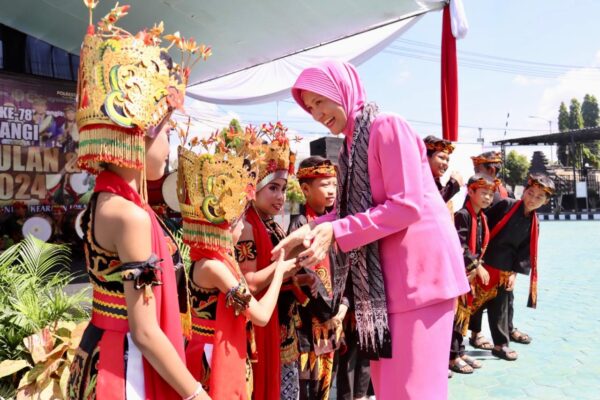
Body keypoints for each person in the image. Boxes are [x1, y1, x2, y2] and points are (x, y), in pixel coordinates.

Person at [275, 59, 469, 400]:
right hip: (388, 289)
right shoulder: (352, 146)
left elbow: (407, 205)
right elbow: (347, 212)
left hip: (421, 281)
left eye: (320, 101)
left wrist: (335, 230)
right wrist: (309, 230)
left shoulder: (386, 127)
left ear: (341, 89)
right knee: (393, 391)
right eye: (310, 108)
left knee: (414, 391)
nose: (317, 114)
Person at [68, 4, 210, 399]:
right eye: (166, 132)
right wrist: (198, 394)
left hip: (100, 347)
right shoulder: (129, 215)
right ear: (139, 135)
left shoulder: (105, 198)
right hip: (125, 363)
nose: (168, 148)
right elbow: (146, 332)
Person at [179, 126, 298, 399]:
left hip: (221, 350)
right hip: (213, 357)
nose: (239, 226)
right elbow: (261, 315)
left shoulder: (215, 259)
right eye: (235, 220)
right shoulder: (215, 266)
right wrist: (280, 269)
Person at [236, 122, 303, 400]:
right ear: (255, 189)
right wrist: (285, 267)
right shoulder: (247, 228)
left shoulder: (270, 225)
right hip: (258, 331)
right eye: (273, 188)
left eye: (284, 189)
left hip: (281, 327)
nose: (280, 196)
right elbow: (249, 283)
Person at [464, 173, 555, 361]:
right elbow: (482, 223)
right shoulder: (506, 205)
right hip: (483, 263)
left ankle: (500, 345)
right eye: (530, 193)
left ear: (545, 202)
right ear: (524, 191)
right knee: (473, 305)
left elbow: (524, 251)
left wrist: (514, 273)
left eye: (539, 197)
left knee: (501, 309)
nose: (532, 199)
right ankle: (471, 337)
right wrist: (475, 260)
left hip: (505, 270)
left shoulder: (534, 224)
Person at [288, 156, 348, 400]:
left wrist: (343, 309)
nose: (332, 190)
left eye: (334, 183)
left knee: (326, 384)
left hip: (334, 320)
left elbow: (348, 270)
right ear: (305, 189)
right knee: (308, 388)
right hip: (310, 323)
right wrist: (329, 315)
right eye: (324, 184)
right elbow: (303, 275)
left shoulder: (338, 224)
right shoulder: (300, 225)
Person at [449, 174, 498, 374]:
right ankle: (452, 357)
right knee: (455, 317)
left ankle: (460, 351)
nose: (487, 198)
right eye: (483, 193)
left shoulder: (481, 217)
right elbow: (458, 244)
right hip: (459, 274)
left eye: (490, 194)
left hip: (469, 275)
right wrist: (475, 265)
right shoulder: (463, 215)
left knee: (464, 316)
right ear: (470, 192)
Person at [424, 135, 463, 203]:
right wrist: (453, 184)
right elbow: (433, 204)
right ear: (426, 157)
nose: (446, 163)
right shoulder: (418, 179)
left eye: (447, 160)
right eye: (441, 158)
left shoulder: (434, 181)